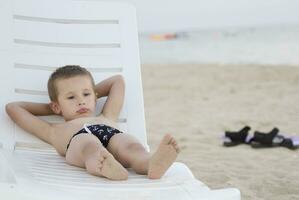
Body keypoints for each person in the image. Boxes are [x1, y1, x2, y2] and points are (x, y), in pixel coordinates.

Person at [6, 65, 180, 180]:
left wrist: (92, 95)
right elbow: (13, 108)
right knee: (89, 145)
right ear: (57, 106)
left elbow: (117, 81)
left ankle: (150, 163)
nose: (81, 101)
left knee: (130, 145)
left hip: (111, 135)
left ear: (94, 96)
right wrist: (54, 108)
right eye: (71, 97)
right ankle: (103, 165)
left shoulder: (107, 116)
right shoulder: (53, 131)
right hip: (78, 140)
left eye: (86, 94)